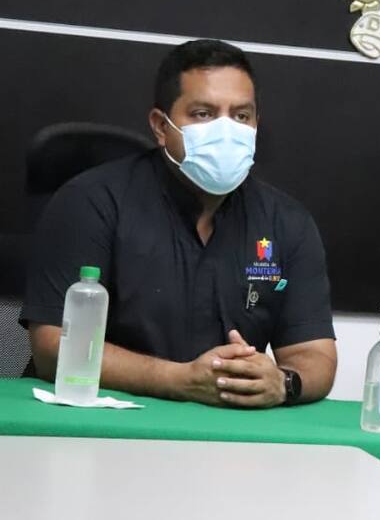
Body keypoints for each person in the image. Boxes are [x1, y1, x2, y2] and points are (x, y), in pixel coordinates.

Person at [21, 39, 337, 407]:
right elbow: (54, 348)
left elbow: (315, 355)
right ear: (160, 126)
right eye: (203, 114)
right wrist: (179, 380)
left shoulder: (287, 221)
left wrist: (283, 382)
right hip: (92, 419)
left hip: (223, 429)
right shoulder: (91, 202)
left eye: (241, 116)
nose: (226, 131)